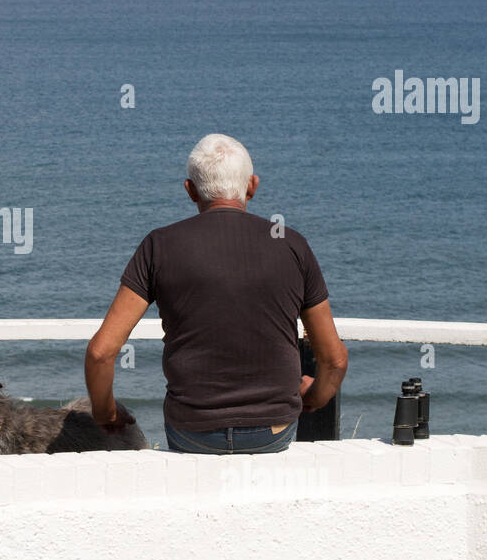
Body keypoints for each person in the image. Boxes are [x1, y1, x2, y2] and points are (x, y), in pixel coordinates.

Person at [84, 134, 347, 454]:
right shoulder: (291, 244)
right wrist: (313, 398)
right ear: (252, 185)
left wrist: (105, 413)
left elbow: (100, 353)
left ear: (190, 189)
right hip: (273, 431)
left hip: (191, 432)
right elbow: (334, 361)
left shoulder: (159, 245)